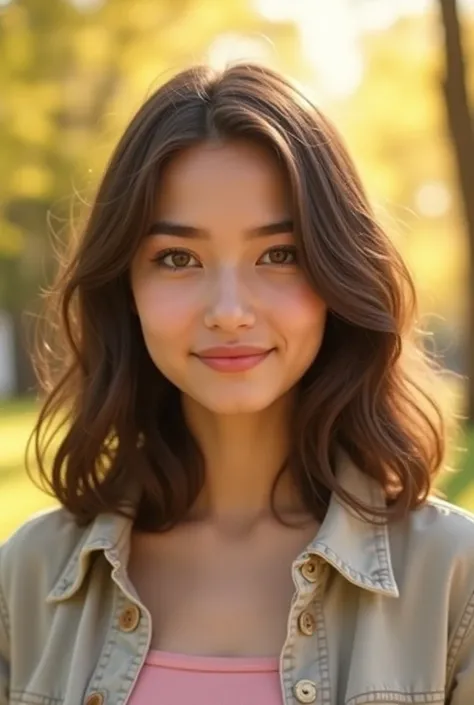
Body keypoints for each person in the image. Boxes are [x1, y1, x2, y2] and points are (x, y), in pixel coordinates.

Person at [0, 62, 473, 705]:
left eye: (279, 254)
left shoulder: (453, 580)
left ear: (340, 275)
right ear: (126, 290)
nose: (228, 309)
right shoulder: (29, 577)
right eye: (177, 258)